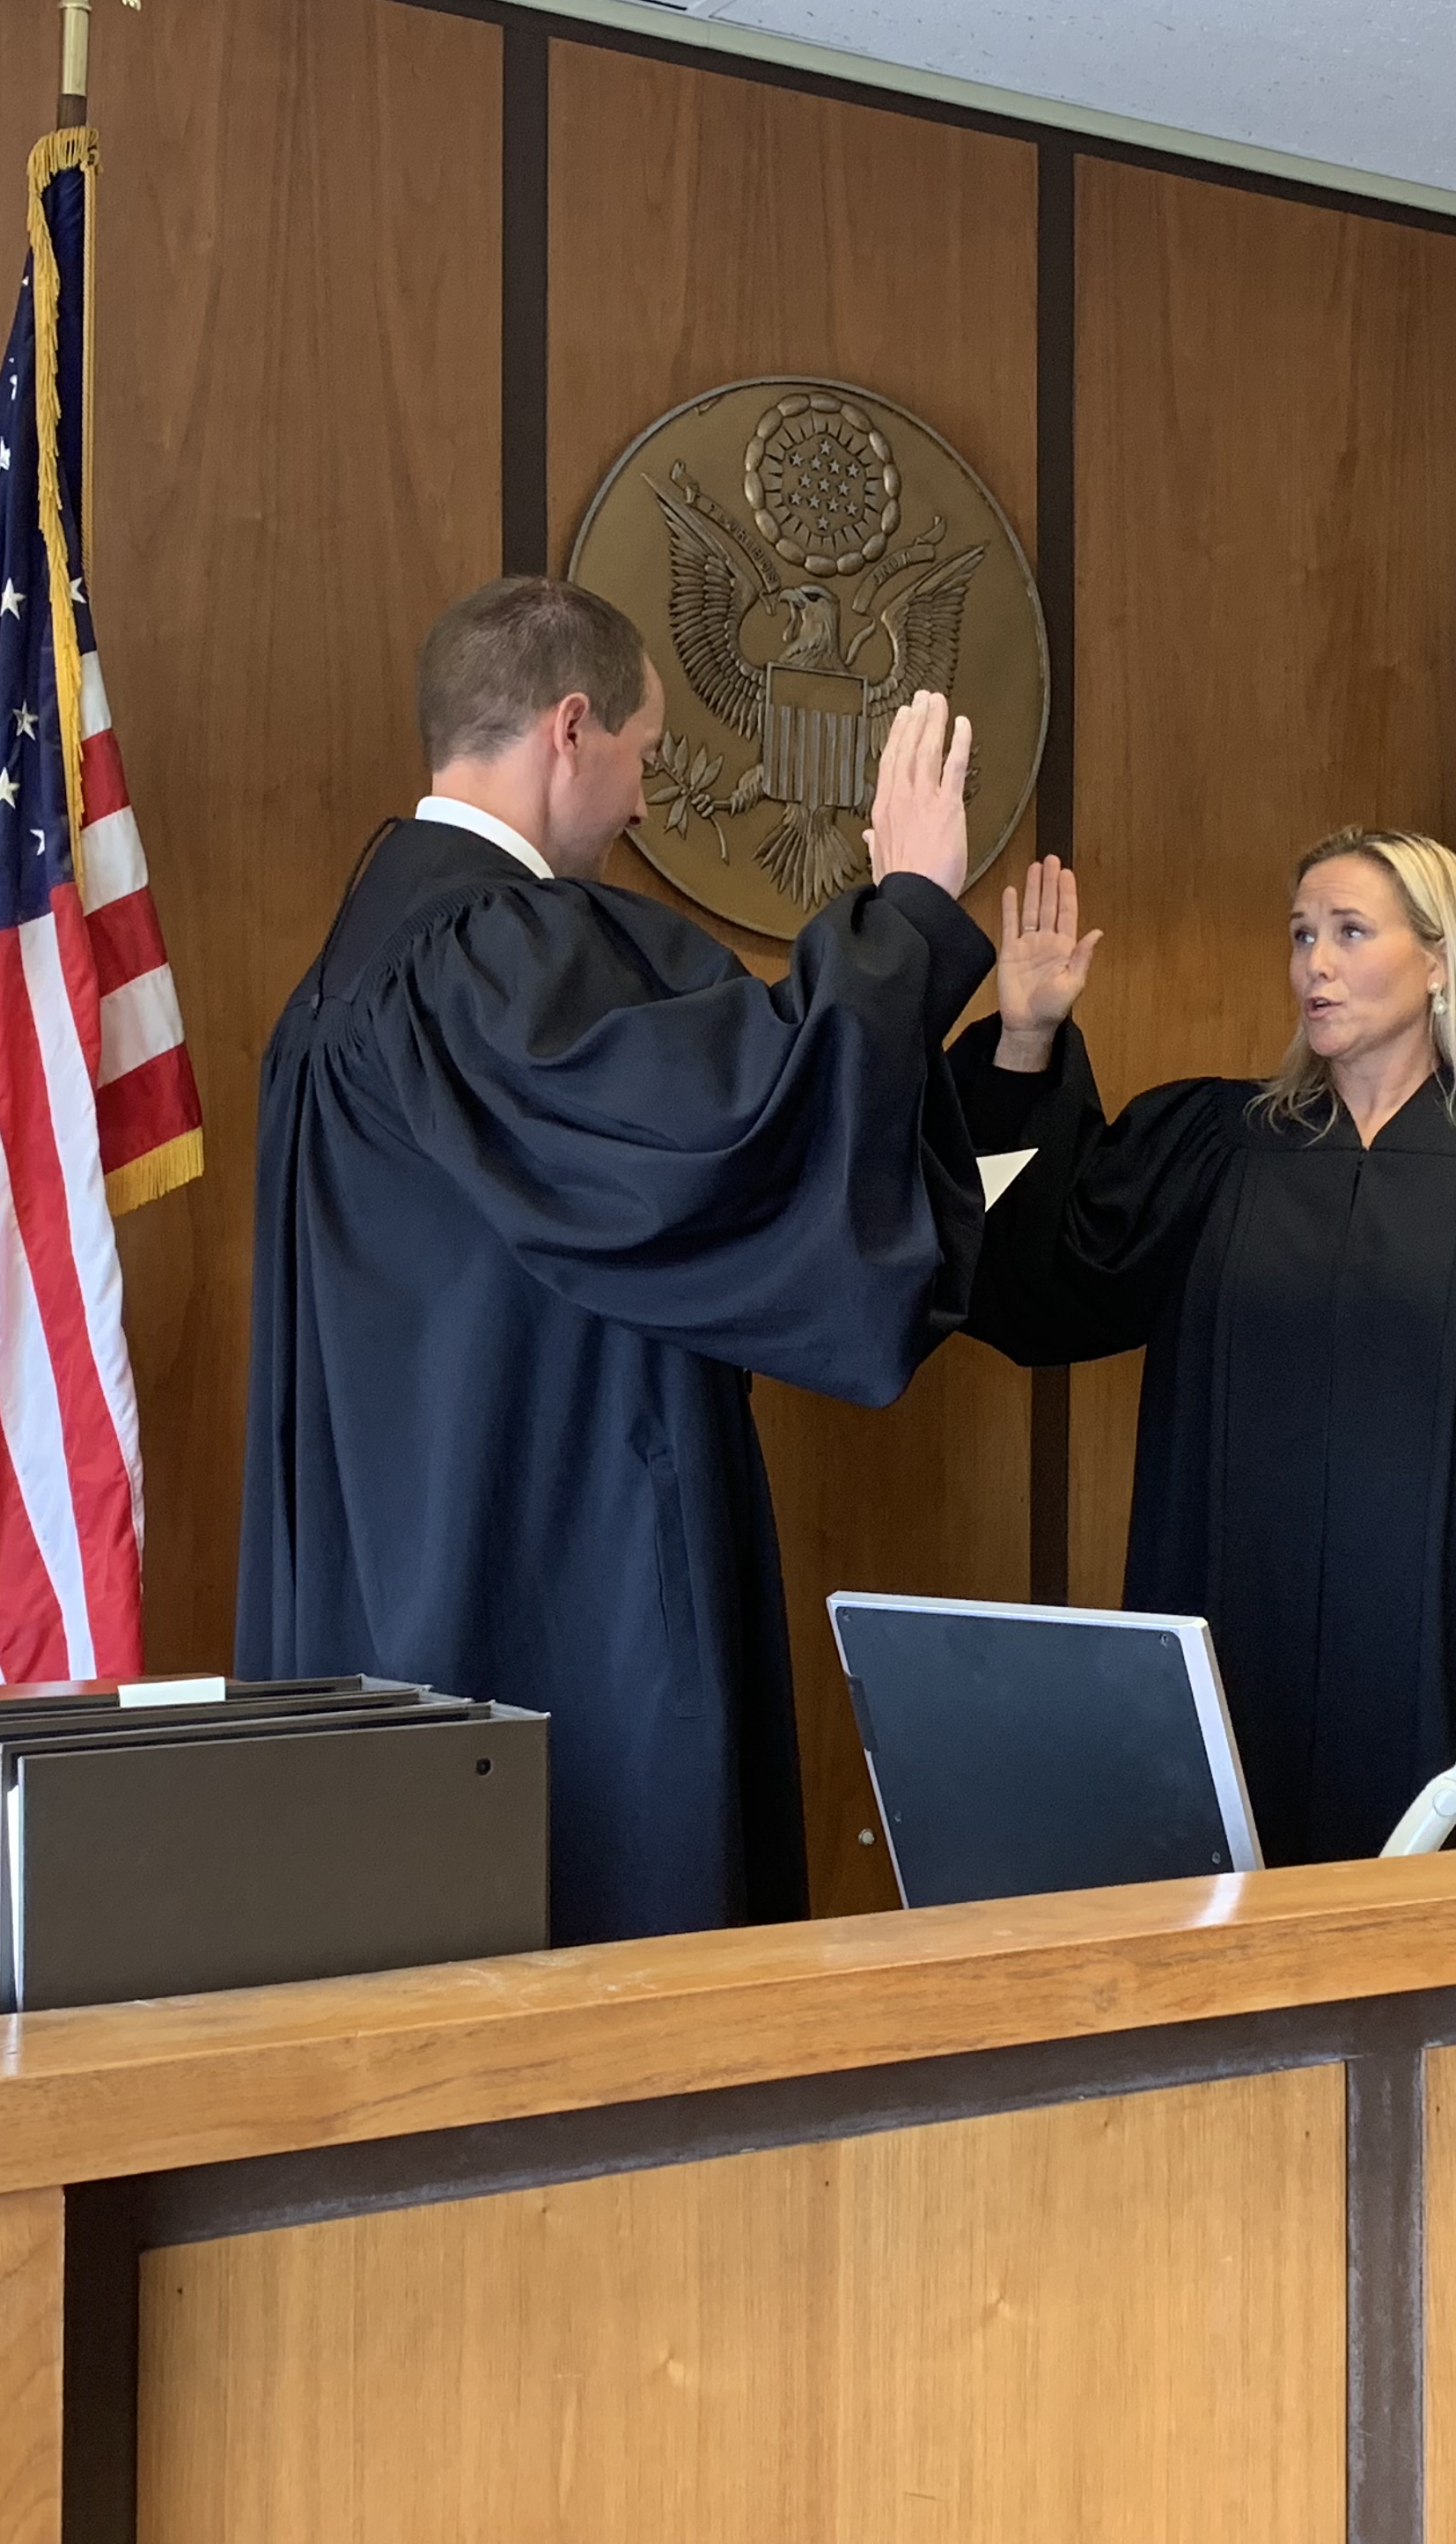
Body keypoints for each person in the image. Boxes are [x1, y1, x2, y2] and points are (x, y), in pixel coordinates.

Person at [235, 577, 993, 1945]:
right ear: (569, 730)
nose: (646, 801)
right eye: (643, 753)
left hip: (391, 1571)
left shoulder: (350, 964)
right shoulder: (493, 951)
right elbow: (733, 1129)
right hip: (542, 1573)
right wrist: (913, 914)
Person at [950, 829, 1456, 1862]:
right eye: (1301, 934)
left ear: (1441, 958)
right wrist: (1023, 1043)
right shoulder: (1222, 1150)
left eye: (1350, 932)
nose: (1314, 963)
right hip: (1241, 1644)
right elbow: (1037, 1280)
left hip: (1442, 1667)